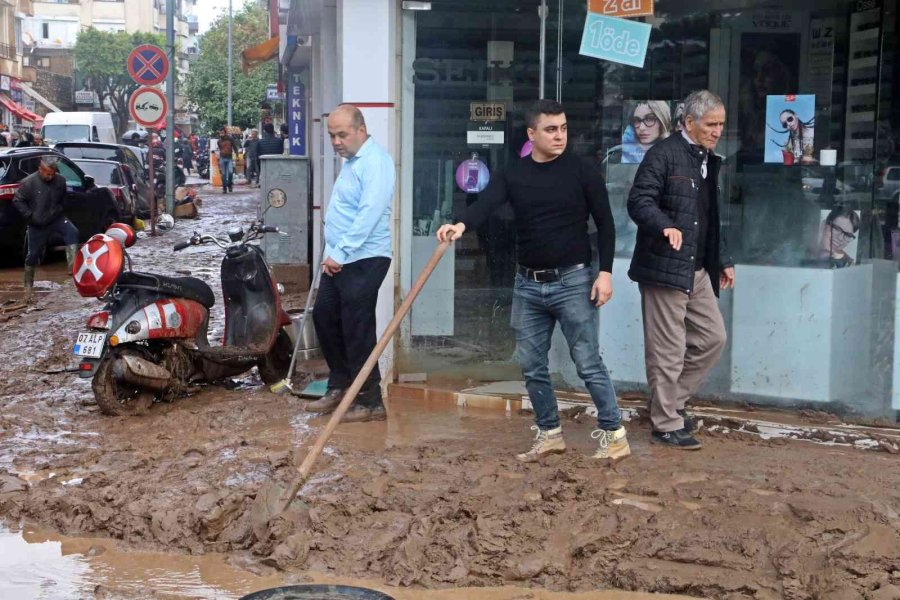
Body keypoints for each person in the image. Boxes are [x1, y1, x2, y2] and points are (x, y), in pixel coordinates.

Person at [436, 99, 630, 463]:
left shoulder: (582, 171)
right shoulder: (514, 173)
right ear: (532, 134)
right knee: (531, 364)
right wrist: (459, 225)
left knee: (587, 362)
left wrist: (605, 273)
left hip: (573, 280)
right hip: (527, 284)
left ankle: (615, 434)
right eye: (551, 129)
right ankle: (549, 432)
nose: (559, 136)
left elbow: (605, 223)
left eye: (564, 129)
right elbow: (484, 204)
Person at [627, 89, 735, 450]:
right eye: (711, 124)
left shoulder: (706, 158)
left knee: (712, 339)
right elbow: (639, 200)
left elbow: (708, 216)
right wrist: (664, 225)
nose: (717, 130)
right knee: (667, 351)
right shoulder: (664, 154)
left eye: (720, 124)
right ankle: (666, 423)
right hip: (664, 267)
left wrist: (722, 259)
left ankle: (667, 404)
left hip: (697, 268)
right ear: (689, 122)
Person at [303, 104, 394, 423]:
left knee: (357, 329)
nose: (336, 142)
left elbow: (368, 214)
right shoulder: (353, 162)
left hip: (365, 258)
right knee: (325, 316)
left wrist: (340, 254)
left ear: (361, 130)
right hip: (341, 257)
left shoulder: (376, 162)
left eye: (342, 134)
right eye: (332, 136)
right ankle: (340, 385)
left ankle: (370, 401)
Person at [12, 156, 80, 299]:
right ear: (40, 170)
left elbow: (63, 198)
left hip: (56, 217)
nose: (50, 176)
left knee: (72, 232)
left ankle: (72, 268)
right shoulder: (29, 183)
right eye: (47, 173)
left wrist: (60, 209)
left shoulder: (60, 181)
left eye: (52, 174)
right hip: (37, 223)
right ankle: (28, 287)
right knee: (33, 255)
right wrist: (30, 216)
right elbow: (18, 200)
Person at [216, 128, 234, 193]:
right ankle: (224, 188)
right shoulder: (219, 141)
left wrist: (237, 155)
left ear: (225, 133)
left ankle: (229, 185)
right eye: (220, 133)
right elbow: (220, 149)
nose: (221, 134)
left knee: (230, 172)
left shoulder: (230, 139)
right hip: (222, 158)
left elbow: (234, 147)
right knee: (223, 174)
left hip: (229, 158)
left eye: (222, 133)